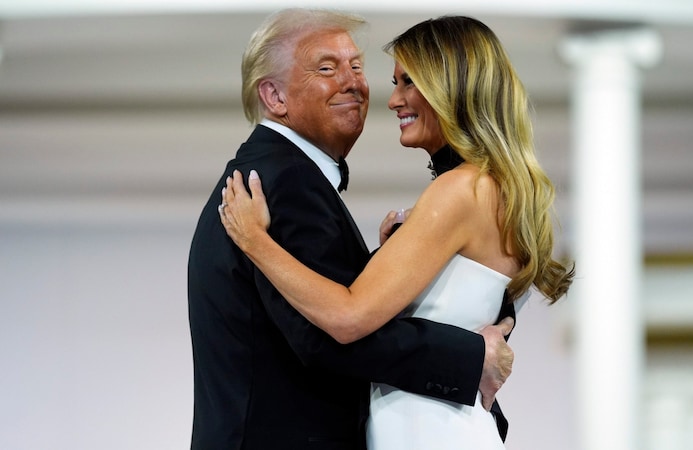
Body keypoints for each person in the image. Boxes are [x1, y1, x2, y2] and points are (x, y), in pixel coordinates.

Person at [218, 15, 574, 450]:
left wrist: (255, 240)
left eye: (409, 82)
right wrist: (391, 256)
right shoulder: (492, 187)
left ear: (451, 86)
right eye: (395, 82)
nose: (394, 100)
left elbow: (347, 319)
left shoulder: (459, 189)